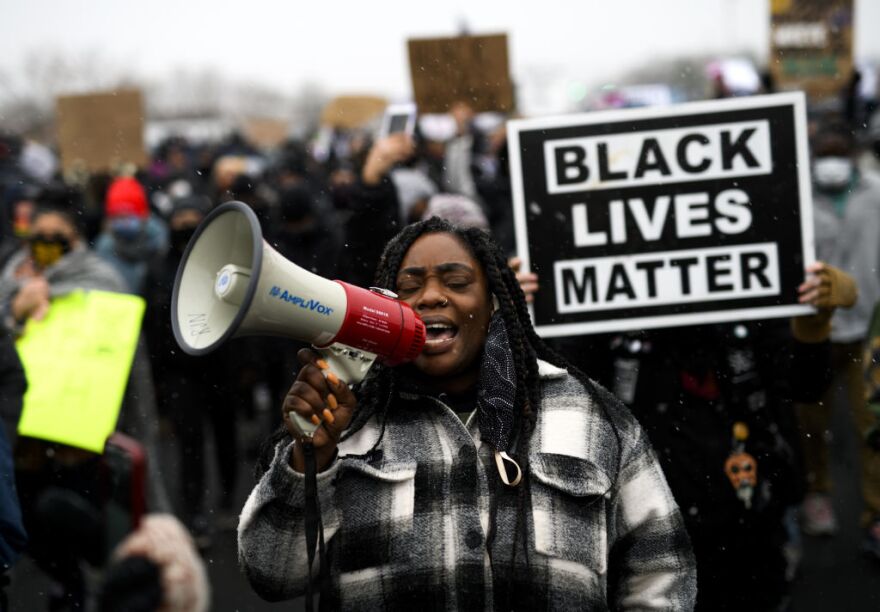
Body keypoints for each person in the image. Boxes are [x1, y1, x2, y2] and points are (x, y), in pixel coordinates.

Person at [239, 217, 696, 610]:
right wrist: (309, 464)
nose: (431, 297)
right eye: (407, 288)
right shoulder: (348, 425)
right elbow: (272, 574)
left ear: (495, 300)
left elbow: (660, 568)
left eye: (456, 283)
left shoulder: (587, 413)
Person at [797, 120, 880, 550]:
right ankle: (818, 493)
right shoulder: (795, 196)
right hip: (816, 331)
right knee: (812, 421)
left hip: (869, 328)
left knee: (873, 421)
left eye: (837, 153)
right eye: (823, 154)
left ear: (851, 156)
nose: (830, 163)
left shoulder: (876, 192)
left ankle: (876, 513)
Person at [94, 176, 168, 296]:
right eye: (118, 216)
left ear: (143, 215)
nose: (124, 221)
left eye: (129, 214)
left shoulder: (160, 239)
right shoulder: (105, 246)